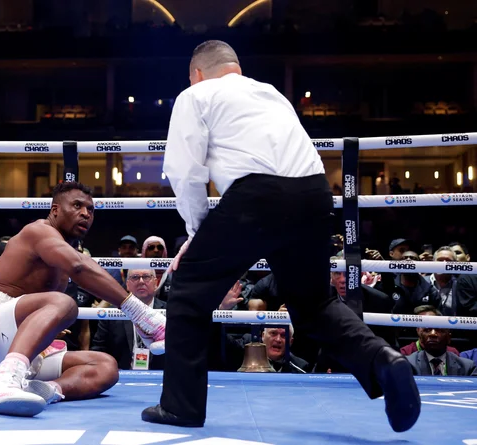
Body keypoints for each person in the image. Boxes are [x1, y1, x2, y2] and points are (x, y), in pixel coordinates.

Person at [140, 40, 420, 433]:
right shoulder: (270, 93)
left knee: (188, 290)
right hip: (314, 193)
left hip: (258, 196)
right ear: (235, 67)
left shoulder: (196, 94)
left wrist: (195, 234)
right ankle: (384, 360)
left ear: (197, 72)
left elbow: (185, 172)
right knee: (314, 303)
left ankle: (181, 407)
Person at [0, 182, 166, 417]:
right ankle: (5, 383)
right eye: (77, 206)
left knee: (105, 366)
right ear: (54, 210)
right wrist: (144, 315)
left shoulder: (68, 251)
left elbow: (85, 270)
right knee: (64, 303)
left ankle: (41, 391)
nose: (86, 213)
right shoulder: (38, 231)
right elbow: (79, 268)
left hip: (6, 356)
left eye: (91, 209)